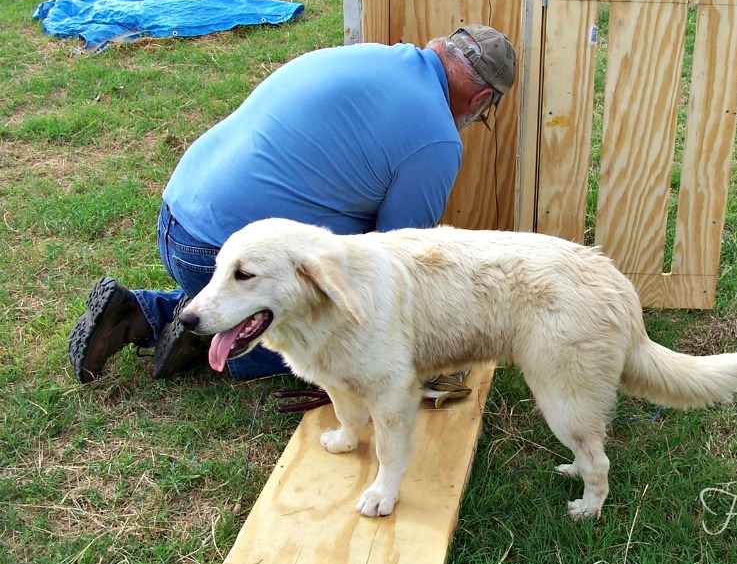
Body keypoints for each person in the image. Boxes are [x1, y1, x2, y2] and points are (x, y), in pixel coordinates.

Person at [69, 24, 517, 383]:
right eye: (487, 112)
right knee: (336, 346)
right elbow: (395, 268)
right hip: (219, 254)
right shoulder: (436, 140)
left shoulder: (368, 56)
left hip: (177, 219)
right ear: (480, 100)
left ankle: (152, 311)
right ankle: (208, 335)